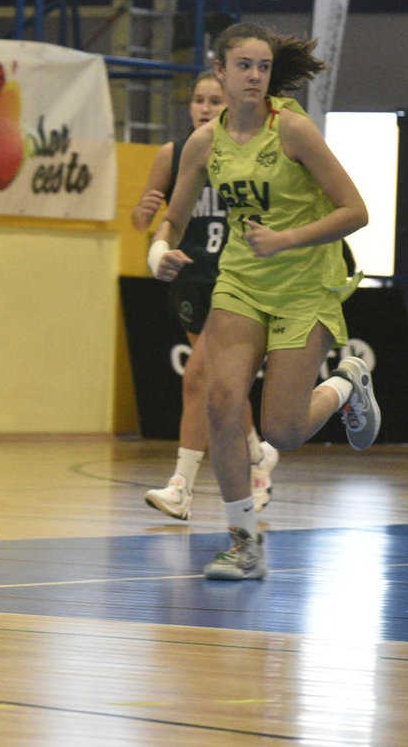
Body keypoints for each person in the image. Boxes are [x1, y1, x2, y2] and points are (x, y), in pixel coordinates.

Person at [154, 23, 379, 580]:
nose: (255, 75)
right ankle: (243, 542)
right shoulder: (205, 142)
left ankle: (347, 381)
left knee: (282, 430)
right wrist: (159, 247)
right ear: (220, 72)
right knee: (221, 401)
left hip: (306, 285)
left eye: (263, 67)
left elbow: (356, 211)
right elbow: (177, 216)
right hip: (241, 281)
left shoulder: (294, 131)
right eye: (245, 66)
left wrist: (286, 239)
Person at [132, 74, 278, 520]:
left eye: (214, 99)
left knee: (198, 377)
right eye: (197, 99)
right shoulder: (174, 154)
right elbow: (150, 220)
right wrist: (142, 217)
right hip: (192, 278)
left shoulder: (250, 152)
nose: (203, 106)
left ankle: (182, 486)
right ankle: (257, 456)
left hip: (236, 277)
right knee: (220, 382)